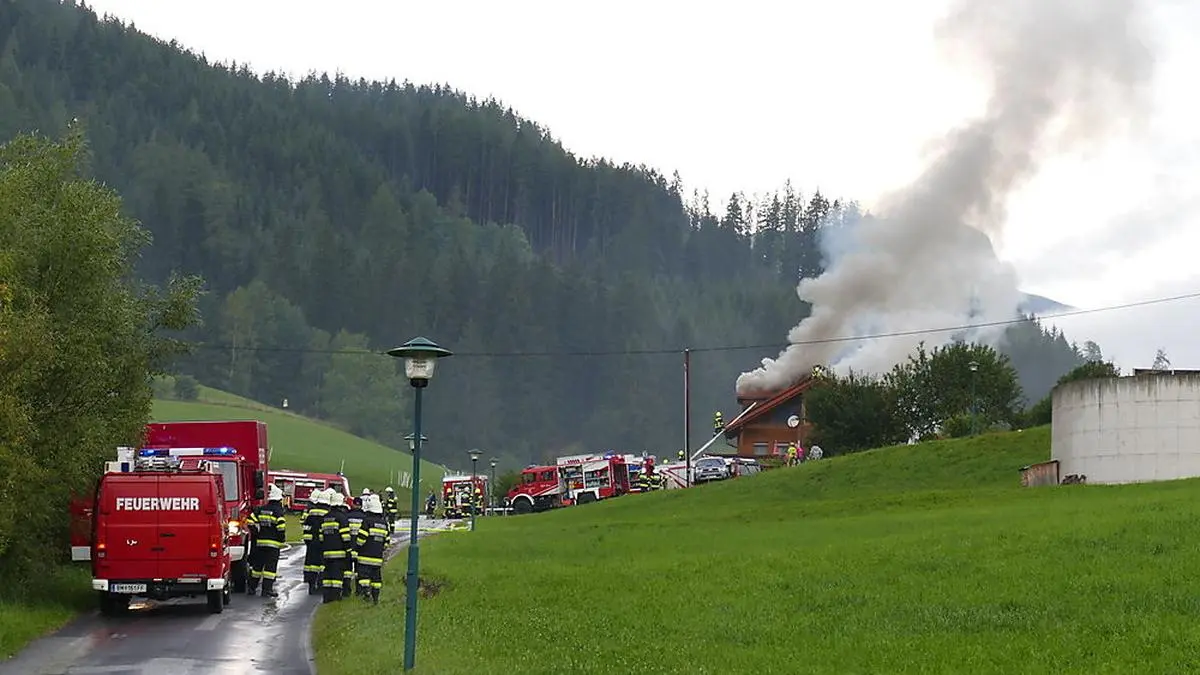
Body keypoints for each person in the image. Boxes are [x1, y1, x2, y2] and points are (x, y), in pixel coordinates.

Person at [247, 484, 286, 597]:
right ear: (279, 499)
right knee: (270, 569)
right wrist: (281, 539)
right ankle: (267, 590)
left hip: (260, 543)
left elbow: (250, 521)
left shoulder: (262, 509)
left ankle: (252, 588)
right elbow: (281, 528)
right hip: (273, 546)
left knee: (257, 567)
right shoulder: (279, 512)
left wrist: (256, 532)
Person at [320, 491, 352, 603]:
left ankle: (326, 597)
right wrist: (348, 551)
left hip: (326, 553)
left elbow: (321, 537)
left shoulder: (325, 517)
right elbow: (346, 537)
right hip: (339, 554)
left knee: (327, 576)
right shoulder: (342, 518)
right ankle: (335, 598)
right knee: (337, 576)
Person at [355, 494, 388, 603]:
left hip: (365, 556)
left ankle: (366, 592)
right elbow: (386, 542)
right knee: (376, 579)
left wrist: (357, 547)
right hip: (377, 558)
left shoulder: (367, 521)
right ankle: (376, 598)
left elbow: (361, 540)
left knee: (363, 576)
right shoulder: (384, 523)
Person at [301, 487, 330, 594]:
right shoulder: (328, 513)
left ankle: (311, 585)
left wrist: (308, 541)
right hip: (324, 543)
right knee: (322, 564)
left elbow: (306, 528)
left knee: (312, 564)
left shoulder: (311, 513)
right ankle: (320, 584)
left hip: (312, 543)